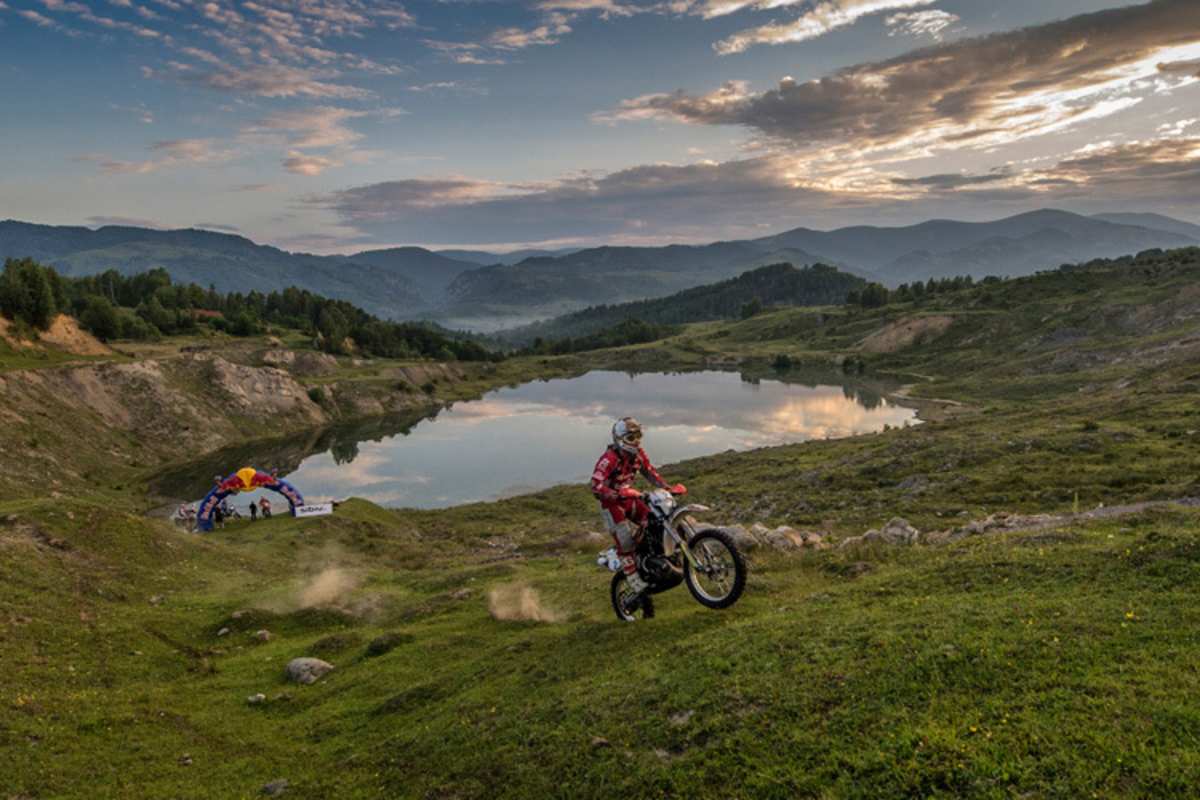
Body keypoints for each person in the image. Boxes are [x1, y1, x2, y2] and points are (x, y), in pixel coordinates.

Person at [590, 417, 685, 602]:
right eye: (631, 438)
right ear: (619, 439)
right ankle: (634, 581)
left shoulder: (638, 454)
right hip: (612, 503)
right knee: (625, 541)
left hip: (630, 497)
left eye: (638, 436)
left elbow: (650, 472)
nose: (636, 441)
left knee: (654, 518)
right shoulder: (609, 459)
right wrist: (614, 494)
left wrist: (666, 488)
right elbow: (595, 485)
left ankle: (651, 554)